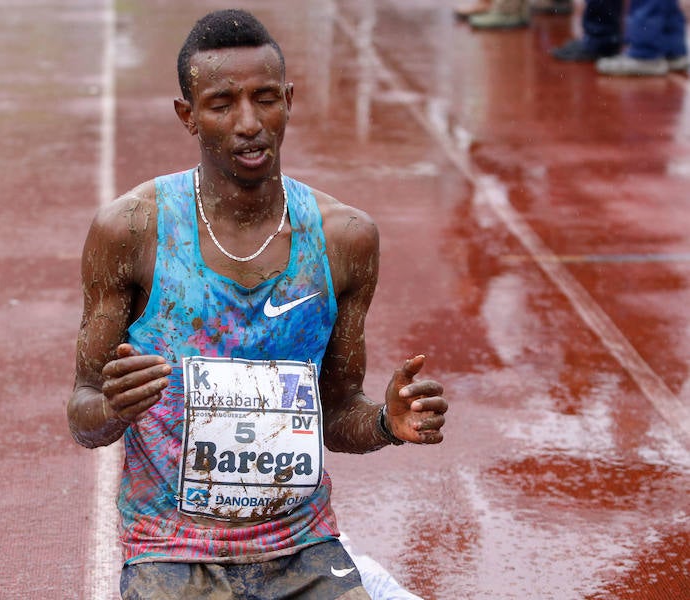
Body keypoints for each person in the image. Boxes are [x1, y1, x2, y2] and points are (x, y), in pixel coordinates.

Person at [67, 9, 448, 600]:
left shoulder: (344, 239)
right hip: (172, 549)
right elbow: (83, 415)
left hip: (301, 545)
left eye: (265, 99)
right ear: (187, 115)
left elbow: (338, 411)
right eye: (222, 104)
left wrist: (385, 423)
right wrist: (114, 407)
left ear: (289, 102)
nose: (249, 123)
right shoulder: (134, 231)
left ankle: (354, 573)